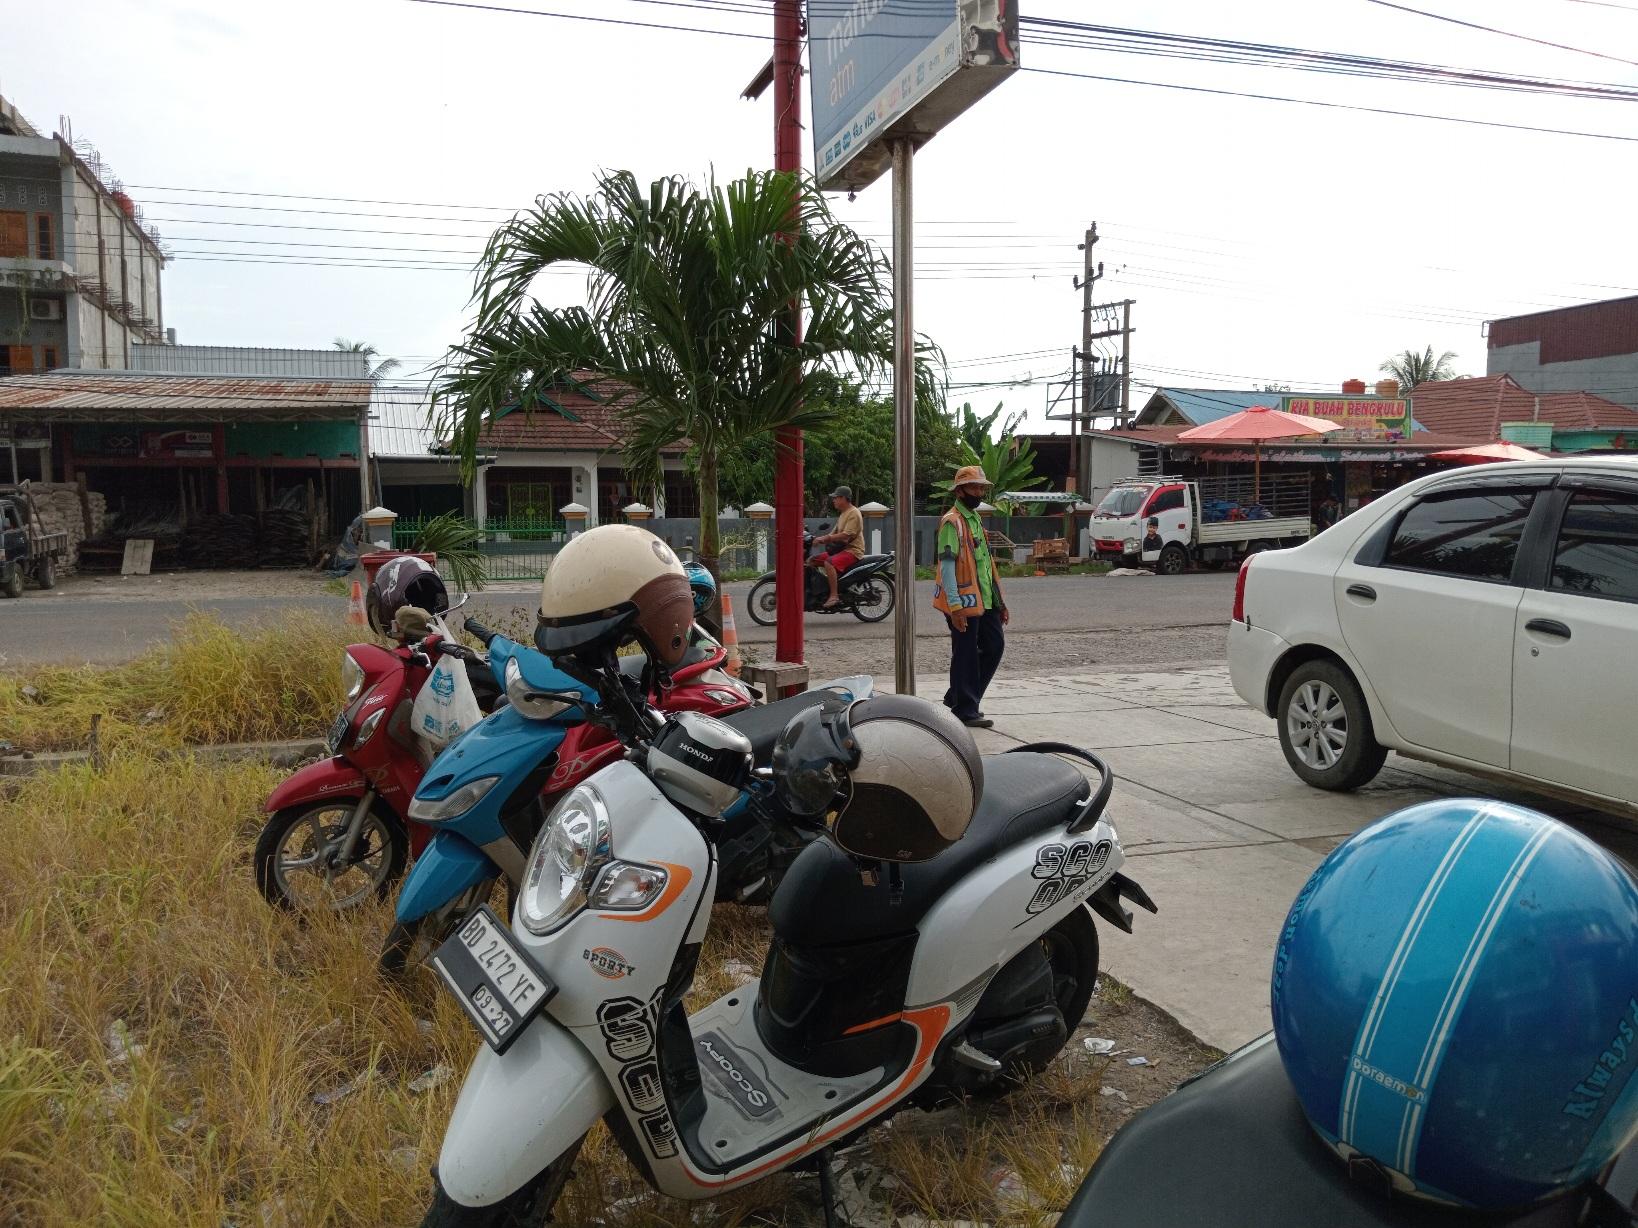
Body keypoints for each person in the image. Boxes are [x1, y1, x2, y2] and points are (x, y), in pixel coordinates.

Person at [933, 465, 1008, 729]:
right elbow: (947, 567)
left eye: (981, 488)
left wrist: (1000, 602)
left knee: (994, 646)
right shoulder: (951, 522)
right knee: (964, 652)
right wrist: (954, 607)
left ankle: (959, 694)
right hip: (962, 602)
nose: (979, 492)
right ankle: (965, 708)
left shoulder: (975, 520)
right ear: (961, 490)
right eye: (974, 487)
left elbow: (987, 565)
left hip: (985, 599)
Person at [808, 485, 864, 610]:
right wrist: (816, 539)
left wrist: (825, 539)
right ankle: (820, 589)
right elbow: (833, 533)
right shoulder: (843, 514)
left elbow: (846, 535)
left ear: (843, 498)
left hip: (852, 551)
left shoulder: (854, 513)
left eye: (835, 498)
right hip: (841, 550)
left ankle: (834, 595)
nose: (833, 500)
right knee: (812, 560)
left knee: (829, 563)